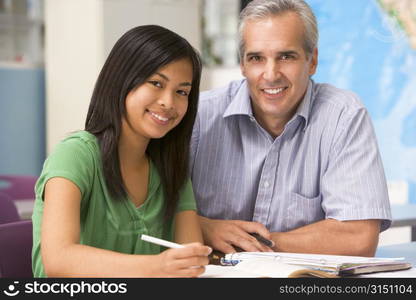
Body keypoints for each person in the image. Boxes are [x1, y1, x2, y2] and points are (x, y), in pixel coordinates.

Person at [190, 0, 391, 256]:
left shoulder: (343, 116)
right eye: (257, 58)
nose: (271, 74)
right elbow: (146, 214)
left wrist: (253, 244)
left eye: (286, 56)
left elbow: (358, 237)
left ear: (312, 60)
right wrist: (204, 227)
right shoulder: (199, 115)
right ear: (242, 64)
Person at [32, 25, 212, 277]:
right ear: (122, 80)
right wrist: (158, 267)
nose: (169, 102)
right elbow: (58, 260)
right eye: (156, 83)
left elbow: (190, 264)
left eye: (182, 92)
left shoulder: (171, 168)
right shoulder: (75, 155)